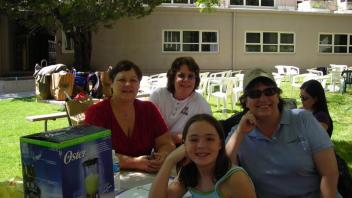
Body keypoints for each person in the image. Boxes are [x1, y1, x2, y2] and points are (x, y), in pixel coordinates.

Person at [226, 68, 340, 198]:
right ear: (246, 101)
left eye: (269, 91)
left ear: (277, 96)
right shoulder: (239, 133)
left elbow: (330, 173)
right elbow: (223, 171)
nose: (263, 98)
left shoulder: (304, 120)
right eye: (254, 94)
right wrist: (240, 133)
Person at [85, 60, 175, 173]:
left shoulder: (148, 109)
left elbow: (166, 143)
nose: (128, 84)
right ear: (112, 83)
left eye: (133, 80)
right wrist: (134, 163)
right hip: (110, 177)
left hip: (146, 176)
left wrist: (162, 155)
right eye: (122, 80)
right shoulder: (97, 112)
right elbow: (93, 153)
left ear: (139, 85)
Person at [149, 114, 256, 198]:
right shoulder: (189, 171)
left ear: (219, 144)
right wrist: (169, 161)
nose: (201, 145)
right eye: (194, 139)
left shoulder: (235, 178)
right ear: (184, 144)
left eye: (209, 139)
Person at [300, 79, 352, 198]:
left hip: (321, 161)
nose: (301, 101)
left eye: (305, 98)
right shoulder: (306, 111)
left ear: (315, 98)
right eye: (301, 97)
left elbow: (314, 139)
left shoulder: (321, 117)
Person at [150, 57, 211, 145]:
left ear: (196, 80)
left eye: (190, 76)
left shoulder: (201, 104)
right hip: (155, 146)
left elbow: (204, 135)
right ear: (173, 77)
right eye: (181, 75)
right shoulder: (158, 95)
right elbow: (147, 129)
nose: (186, 80)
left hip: (184, 148)